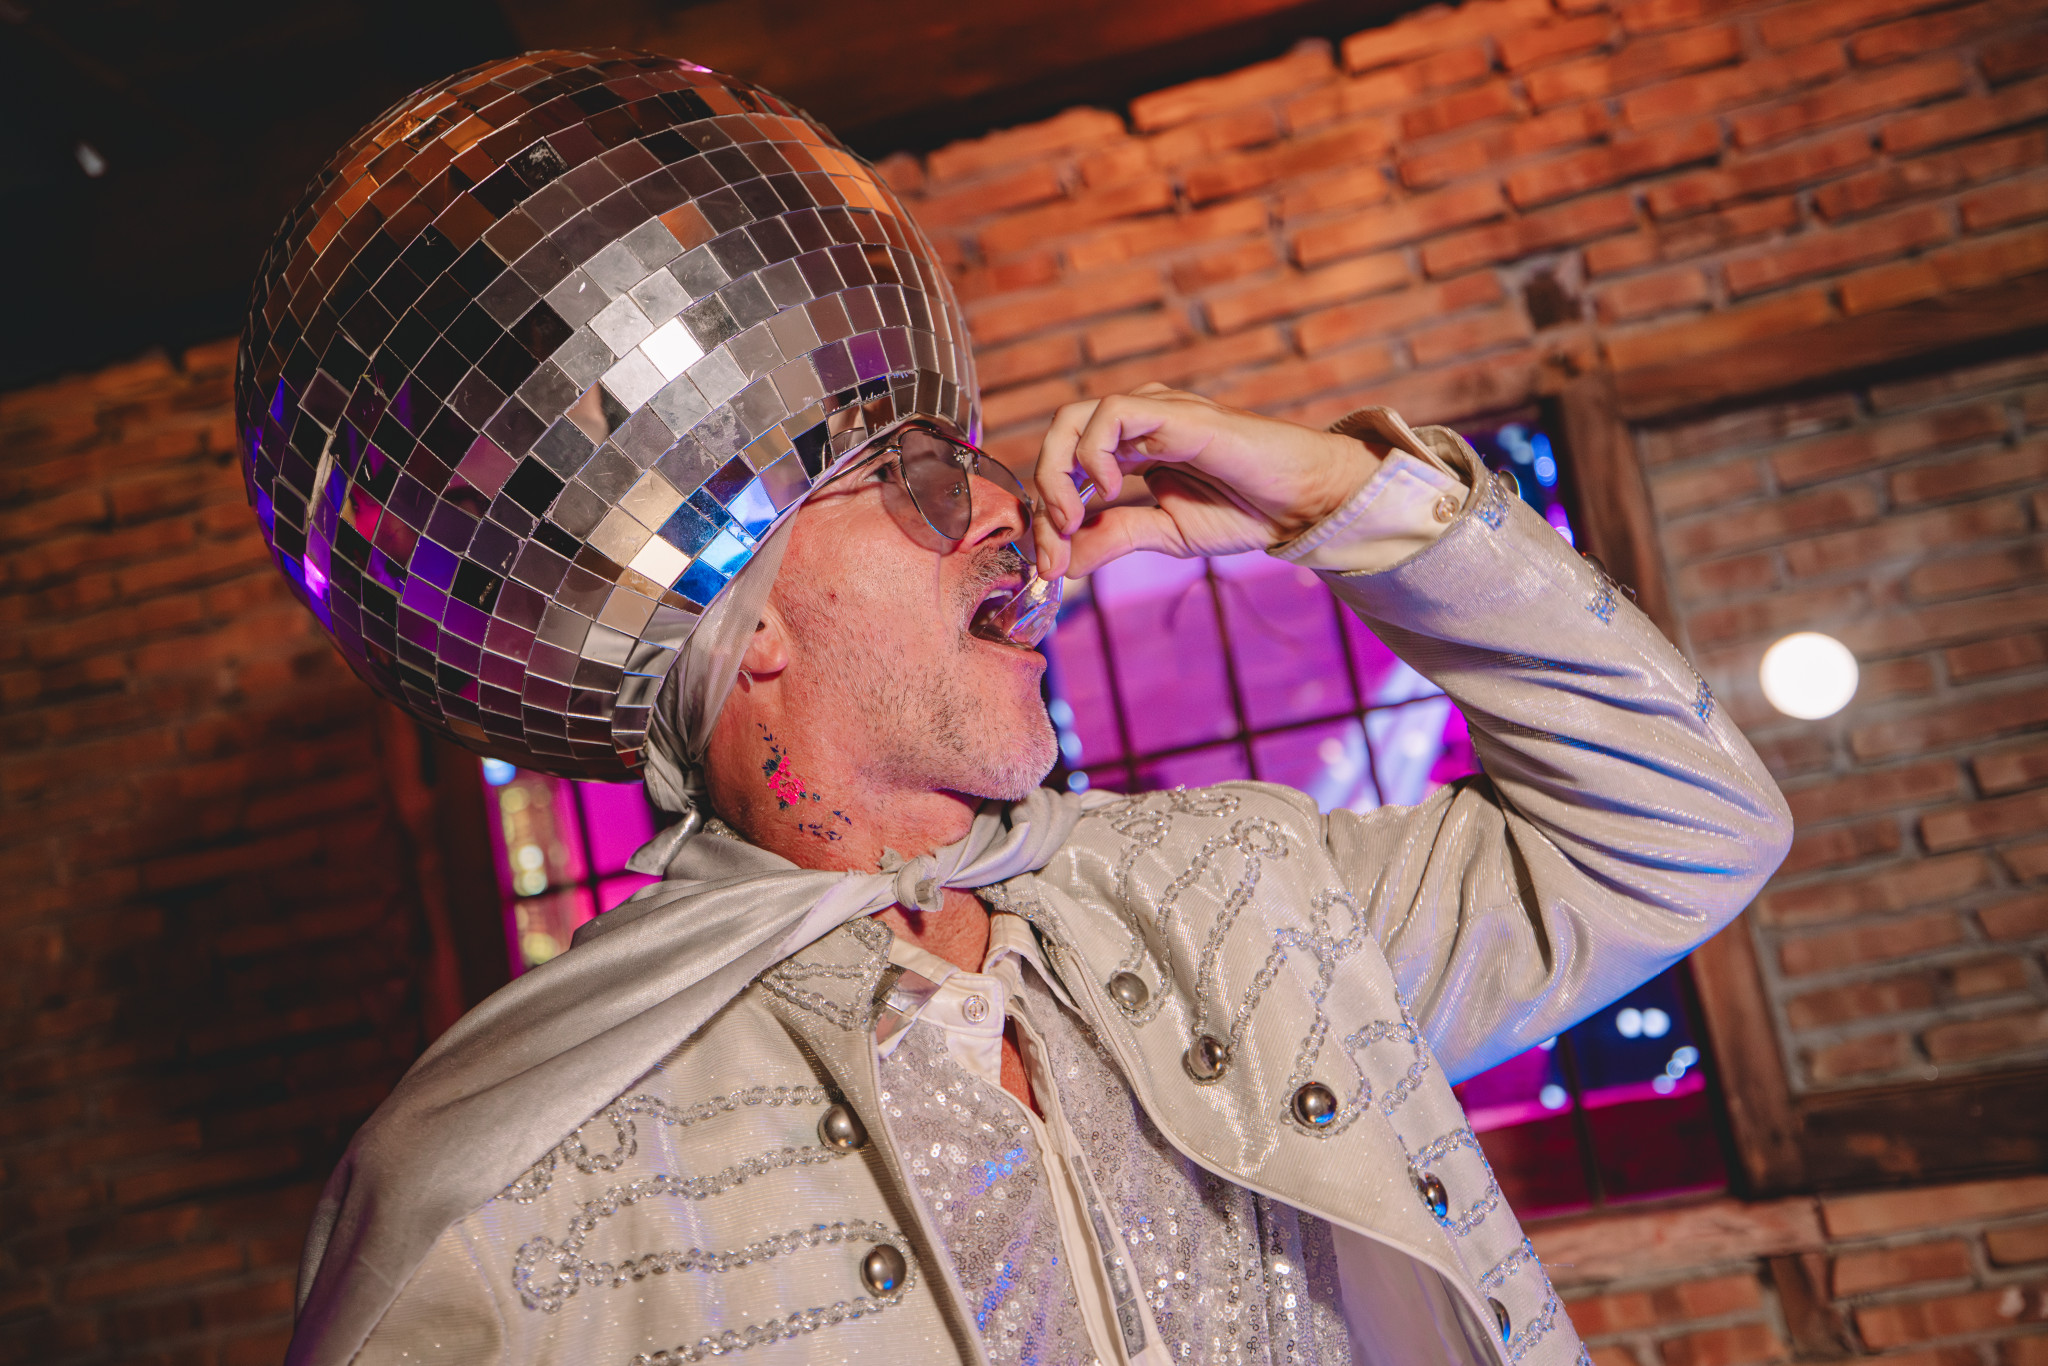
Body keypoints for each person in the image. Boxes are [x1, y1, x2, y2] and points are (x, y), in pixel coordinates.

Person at [240, 49, 1791, 1366]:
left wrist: (1346, 501)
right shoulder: (502, 1192)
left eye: (966, 462)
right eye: (910, 482)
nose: (1000, 512)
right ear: (750, 627)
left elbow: (1691, 825)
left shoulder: (1243, 901)